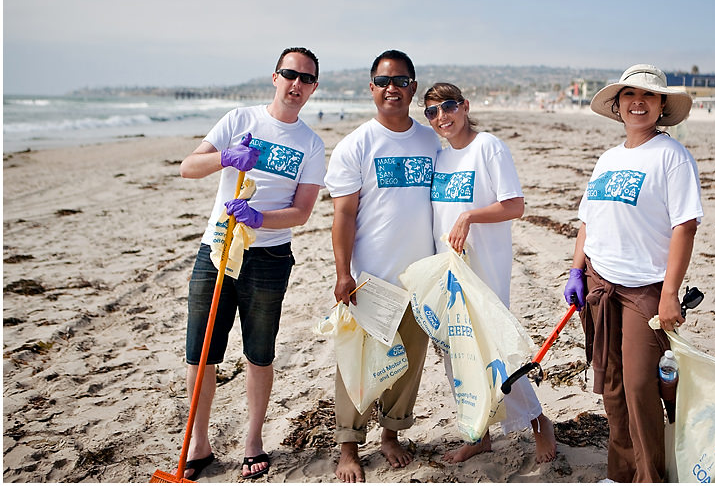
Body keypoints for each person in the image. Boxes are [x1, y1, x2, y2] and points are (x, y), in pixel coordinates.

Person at [179, 47, 326, 480]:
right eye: (289, 74)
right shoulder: (238, 121)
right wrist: (226, 157)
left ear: (313, 87)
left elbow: (301, 212)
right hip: (218, 249)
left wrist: (260, 218)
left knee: (259, 353)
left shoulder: (311, 144)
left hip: (269, 256)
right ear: (275, 77)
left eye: (306, 78)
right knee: (201, 353)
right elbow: (188, 167)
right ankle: (200, 444)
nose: (296, 84)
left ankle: (253, 440)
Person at [564, 64, 702, 482]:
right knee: (612, 388)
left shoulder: (672, 157)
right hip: (599, 284)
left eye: (648, 96)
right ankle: (621, 473)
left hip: (645, 290)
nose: (637, 102)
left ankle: (650, 477)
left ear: (662, 106)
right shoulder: (608, 158)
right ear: (617, 105)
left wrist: (670, 293)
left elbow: (685, 225)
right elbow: (587, 220)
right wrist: (575, 271)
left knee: (642, 387)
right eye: (628, 95)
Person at [422, 82, 557, 464]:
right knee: (456, 355)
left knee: (494, 351)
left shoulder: (488, 147)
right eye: (431, 112)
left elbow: (515, 205)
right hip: (450, 272)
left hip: (485, 270)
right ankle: (477, 434)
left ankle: (538, 422)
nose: (441, 117)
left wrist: (470, 215)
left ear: (464, 106)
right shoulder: (441, 156)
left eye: (448, 107)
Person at [324, 50, 441, 483]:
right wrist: (343, 273)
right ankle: (348, 447)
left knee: (408, 363)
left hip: (419, 276)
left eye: (401, 80)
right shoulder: (356, 144)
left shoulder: (430, 140)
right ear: (371, 88)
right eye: (383, 80)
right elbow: (343, 215)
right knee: (356, 364)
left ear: (412, 86)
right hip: (369, 278)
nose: (392, 87)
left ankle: (391, 436)